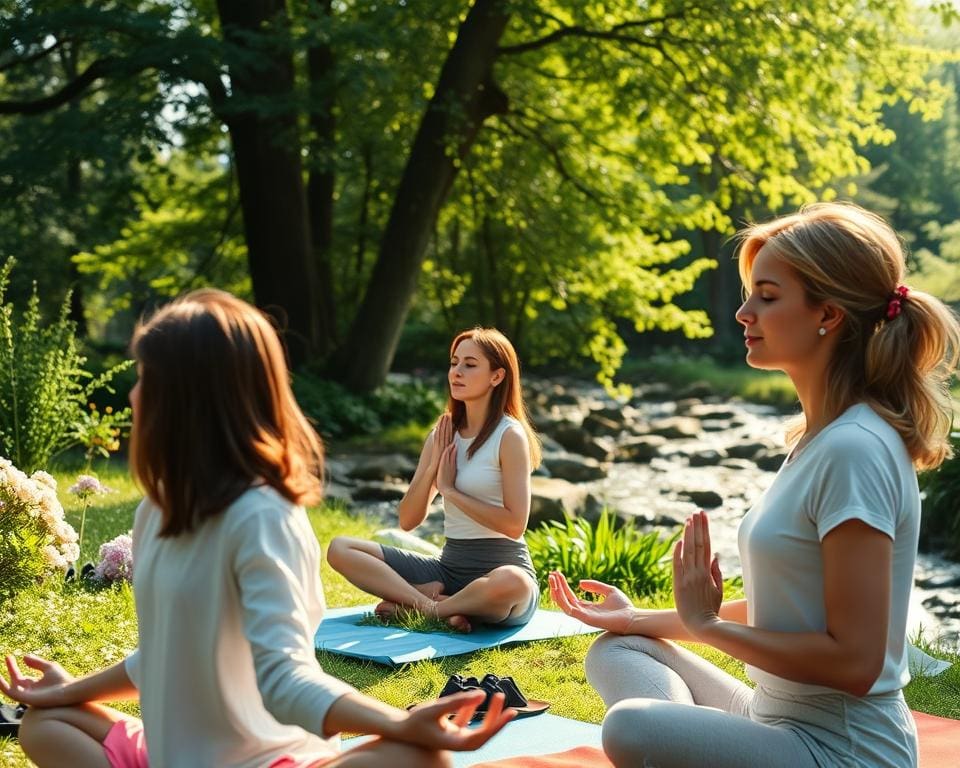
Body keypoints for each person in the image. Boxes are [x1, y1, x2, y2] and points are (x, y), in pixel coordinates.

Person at [0, 290, 514, 768]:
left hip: (265, 760)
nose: (134, 396)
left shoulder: (262, 516)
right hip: (173, 755)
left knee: (417, 757)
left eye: (146, 379)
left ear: (193, 398)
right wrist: (68, 690)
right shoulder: (157, 510)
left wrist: (398, 723)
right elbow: (162, 654)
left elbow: (284, 678)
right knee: (47, 721)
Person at [550, 202, 960, 767]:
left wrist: (707, 625)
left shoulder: (854, 449)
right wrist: (637, 618)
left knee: (630, 727)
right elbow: (784, 610)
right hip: (774, 719)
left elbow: (858, 664)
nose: (744, 312)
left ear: (829, 314)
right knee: (622, 648)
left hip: (843, 751)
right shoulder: (818, 439)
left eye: (767, 296)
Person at [328, 327, 542, 633]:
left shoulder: (509, 436)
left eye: (470, 365)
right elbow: (407, 520)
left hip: (502, 570)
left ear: (497, 376)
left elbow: (514, 524)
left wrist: (450, 491)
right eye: (454, 363)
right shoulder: (442, 435)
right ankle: (439, 608)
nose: (456, 372)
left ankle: (426, 607)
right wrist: (431, 469)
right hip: (448, 569)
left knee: (513, 583)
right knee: (340, 548)